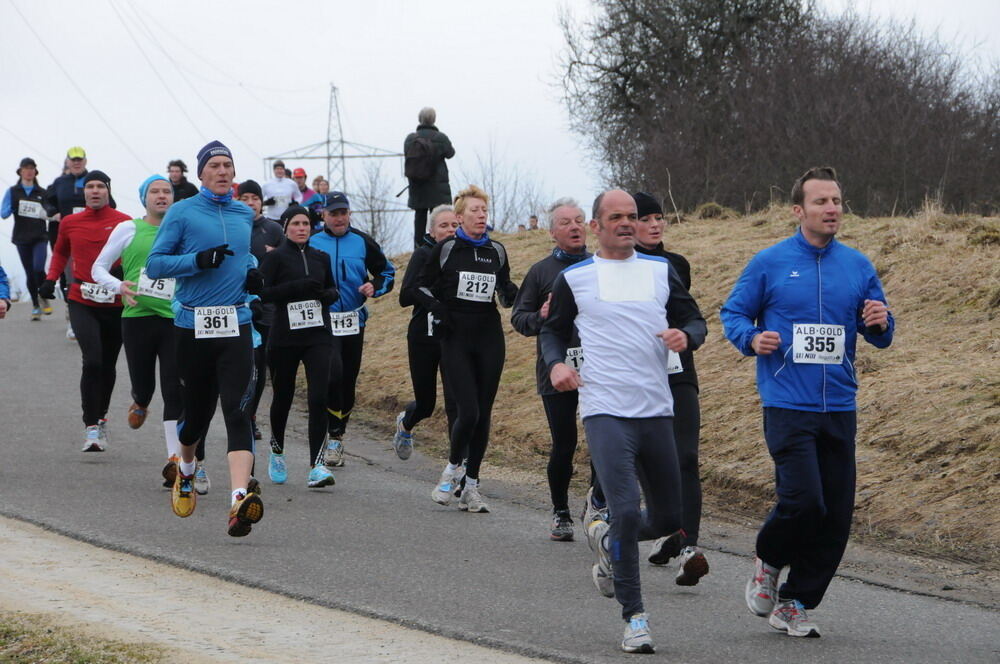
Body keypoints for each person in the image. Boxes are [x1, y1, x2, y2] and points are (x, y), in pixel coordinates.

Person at [721, 167, 894, 638]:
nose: (832, 208)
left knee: (836, 515)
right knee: (804, 502)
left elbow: (879, 331)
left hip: (839, 404)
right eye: (821, 202)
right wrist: (752, 338)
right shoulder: (770, 262)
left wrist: (879, 321)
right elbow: (733, 313)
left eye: (837, 200)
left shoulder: (857, 265)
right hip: (787, 401)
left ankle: (794, 602)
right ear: (799, 210)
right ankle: (769, 558)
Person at [539, 189, 707, 654]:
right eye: (616, 217)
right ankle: (635, 618)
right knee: (629, 508)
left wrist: (685, 336)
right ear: (597, 226)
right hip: (604, 408)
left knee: (670, 518)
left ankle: (610, 539)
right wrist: (556, 365)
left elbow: (696, 320)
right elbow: (552, 331)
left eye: (632, 216)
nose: (627, 224)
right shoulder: (578, 278)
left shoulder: (660, 271)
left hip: (655, 408)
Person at [146, 140, 264, 537]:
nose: (223, 171)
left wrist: (253, 274)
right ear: (201, 174)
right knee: (195, 416)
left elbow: (243, 257)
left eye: (228, 165)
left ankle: (237, 500)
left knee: (238, 410)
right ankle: (186, 468)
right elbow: (156, 264)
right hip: (193, 325)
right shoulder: (181, 212)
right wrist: (196, 261)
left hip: (236, 323)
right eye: (214, 165)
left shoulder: (243, 213)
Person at [414, 185, 518, 513]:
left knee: (483, 414)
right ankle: (451, 469)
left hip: (489, 336)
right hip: (455, 336)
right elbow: (419, 286)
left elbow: (503, 290)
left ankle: (471, 486)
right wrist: (438, 309)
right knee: (468, 411)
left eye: (484, 211)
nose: (481, 215)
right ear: (459, 217)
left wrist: (517, 293)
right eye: (475, 211)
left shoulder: (497, 251)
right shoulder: (445, 250)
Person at [91, 174, 196, 489]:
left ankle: (173, 460)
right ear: (144, 198)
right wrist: (119, 285)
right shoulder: (129, 229)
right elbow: (98, 267)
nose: (162, 196)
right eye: (155, 191)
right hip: (137, 317)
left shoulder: (183, 231)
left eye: (167, 191)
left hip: (174, 318)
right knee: (144, 386)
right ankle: (139, 401)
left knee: (173, 389)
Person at [511, 197, 604, 541]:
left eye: (579, 220)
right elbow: (519, 319)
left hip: (599, 366)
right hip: (557, 367)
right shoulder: (541, 272)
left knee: (602, 440)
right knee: (564, 443)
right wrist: (542, 317)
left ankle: (597, 505)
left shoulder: (601, 266)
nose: (575, 226)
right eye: (566, 222)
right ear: (552, 233)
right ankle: (560, 512)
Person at [631, 192, 710, 585]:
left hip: (678, 369)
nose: (656, 224)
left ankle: (687, 544)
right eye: (646, 218)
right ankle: (659, 528)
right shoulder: (612, 266)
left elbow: (687, 314)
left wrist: (686, 334)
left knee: (687, 457)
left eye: (659, 217)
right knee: (646, 458)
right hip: (635, 374)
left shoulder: (676, 264)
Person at [39, 171, 130, 452]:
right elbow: (61, 253)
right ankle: (91, 427)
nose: (94, 191)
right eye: (89, 186)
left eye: (100, 186)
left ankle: (101, 416)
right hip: (81, 298)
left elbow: (136, 257)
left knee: (108, 364)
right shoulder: (70, 222)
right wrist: (50, 279)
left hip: (115, 302)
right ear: (84, 193)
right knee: (92, 361)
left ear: (108, 191)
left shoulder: (125, 222)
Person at [309, 191, 395, 467]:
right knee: (332, 375)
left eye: (343, 213)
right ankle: (329, 433)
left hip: (353, 321)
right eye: (333, 213)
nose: (339, 218)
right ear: (323, 215)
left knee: (348, 380)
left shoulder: (361, 241)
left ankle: (337, 435)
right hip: (322, 322)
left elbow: (387, 272)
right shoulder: (312, 241)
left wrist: (374, 286)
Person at [259, 205, 340, 487]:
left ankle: (316, 466)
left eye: (306, 223)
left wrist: (324, 294)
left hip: (317, 334)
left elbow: (333, 290)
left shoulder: (321, 257)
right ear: (285, 227)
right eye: (296, 223)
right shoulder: (275, 258)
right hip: (284, 337)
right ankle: (277, 450)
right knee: (283, 396)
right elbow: (262, 292)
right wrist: (295, 288)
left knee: (319, 397)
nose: (302, 228)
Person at [393, 204, 460, 460]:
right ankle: (406, 424)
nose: (450, 230)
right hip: (423, 336)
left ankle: (458, 466)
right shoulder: (423, 255)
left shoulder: (464, 257)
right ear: (432, 232)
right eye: (444, 226)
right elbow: (405, 296)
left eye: (454, 225)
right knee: (426, 404)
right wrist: (435, 298)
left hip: (453, 337)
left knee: (456, 403)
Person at [237, 179, 284, 441]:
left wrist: (276, 252)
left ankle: (251, 416)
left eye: (254, 198)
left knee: (261, 363)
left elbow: (287, 259)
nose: (250, 203)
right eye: (244, 198)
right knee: (243, 364)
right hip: (238, 304)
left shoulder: (273, 229)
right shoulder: (231, 227)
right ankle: (237, 412)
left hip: (267, 307)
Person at [43, 146, 94, 325]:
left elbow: (109, 202)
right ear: (68, 162)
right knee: (67, 273)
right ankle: (72, 309)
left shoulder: (93, 180)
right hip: (63, 234)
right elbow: (47, 201)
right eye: (74, 160)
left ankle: (87, 309)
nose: (77, 163)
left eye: (80, 159)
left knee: (86, 271)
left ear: (85, 161)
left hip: (88, 235)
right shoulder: (60, 182)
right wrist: (53, 212)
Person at [1, 157, 50, 320]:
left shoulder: (42, 192)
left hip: (40, 236)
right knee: (29, 272)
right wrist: (13, 208)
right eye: (26, 168)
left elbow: (50, 210)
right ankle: (36, 305)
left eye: (32, 168)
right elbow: (4, 213)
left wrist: (51, 213)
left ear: (35, 171)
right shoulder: (13, 191)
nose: (29, 171)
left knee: (38, 267)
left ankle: (43, 295)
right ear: (20, 171)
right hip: (22, 237)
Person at [404, 107, 455, 249]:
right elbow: (450, 153)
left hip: (417, 184)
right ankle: (438, 244)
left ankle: (419, 247)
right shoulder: (441, 138)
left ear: (419, 119)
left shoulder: (410, 139)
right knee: (438, 216)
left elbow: (407, 154)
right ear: (434, 119)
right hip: (437, 185)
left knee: (419, 216)